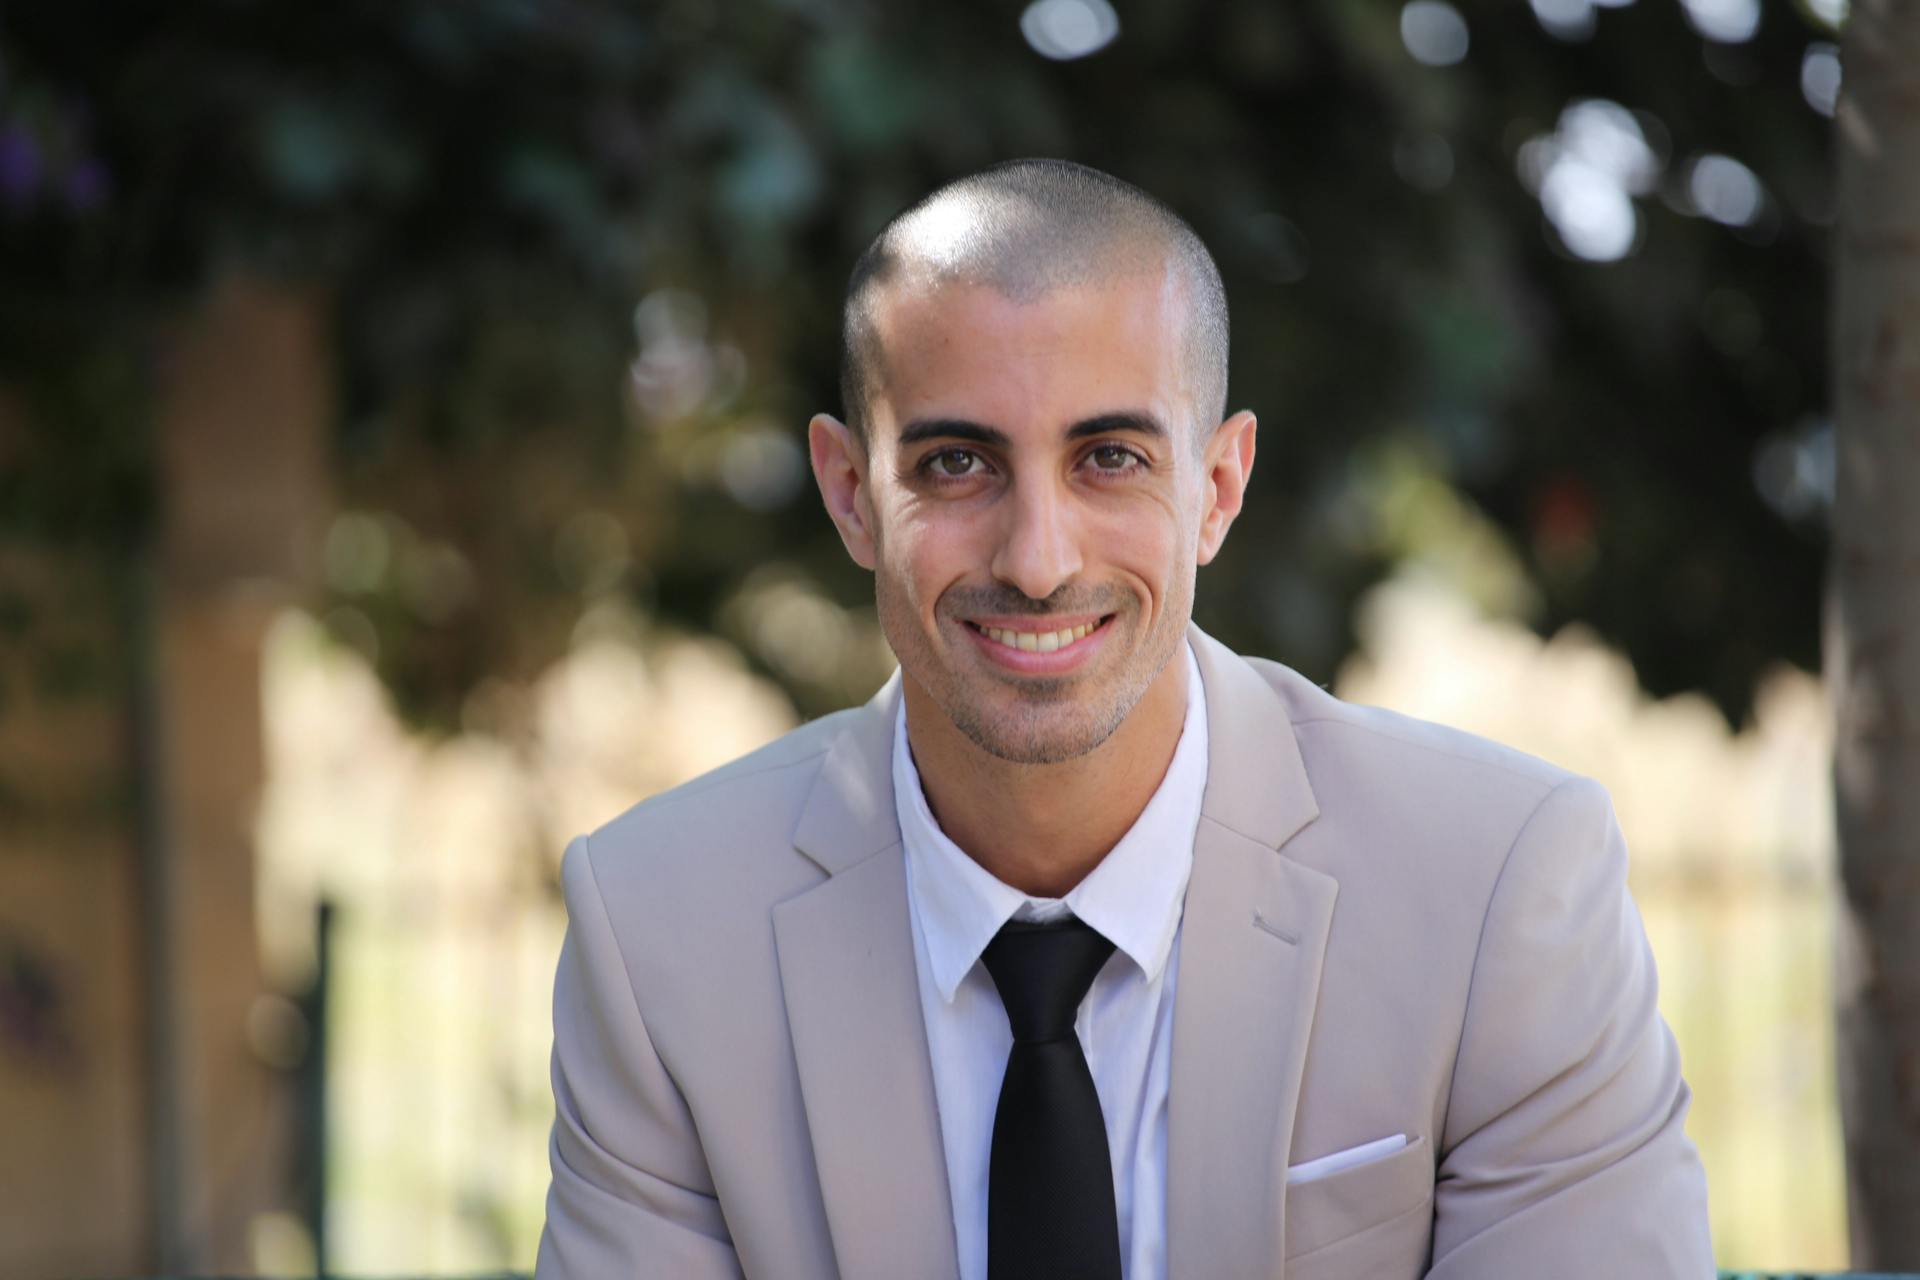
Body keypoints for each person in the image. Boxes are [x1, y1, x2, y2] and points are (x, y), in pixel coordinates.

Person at [534, 158, 1713, 1279]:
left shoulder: (1496, 888)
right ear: (850, 493)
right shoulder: (660, 934)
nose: (1039, 560)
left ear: (1218, 485)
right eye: (956, 464)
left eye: (1108, 456)